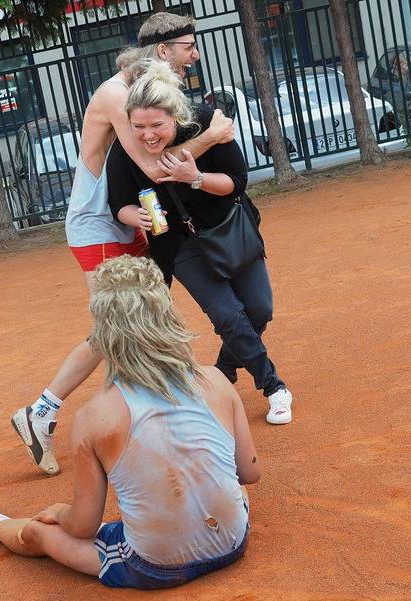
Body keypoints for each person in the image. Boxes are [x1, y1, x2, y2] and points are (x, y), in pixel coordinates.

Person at [0, 255, 261, 590]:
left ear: (102, 334)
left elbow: (83, 525)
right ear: (167, 314)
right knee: (225, 486)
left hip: (155, 567)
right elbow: (249, 473)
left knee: (40, 533)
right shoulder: (215, 379)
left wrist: (59, 512)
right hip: (232, 543)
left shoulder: (94, 416)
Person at [11, 12, 236, 475]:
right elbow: (155, 167)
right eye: (187, 48)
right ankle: (42, 411)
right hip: (97, 224)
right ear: (161, 52)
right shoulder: (117, 95)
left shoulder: (143, 94)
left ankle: (137, 415)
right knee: (113, 327)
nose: (193, 57)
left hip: (133, 219)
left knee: (144, 314)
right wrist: (212, 138)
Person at [107, 60, 294, 424]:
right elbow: (120, 203)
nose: (147, 135)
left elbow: (237, 181)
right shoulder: (126, 149)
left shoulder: (206, 121)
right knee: (227, 315)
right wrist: (136, 216)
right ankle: (273, 386)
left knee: (259, 310)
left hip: (228, 226)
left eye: (157, 125)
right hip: (178, 244)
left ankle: (224, 369)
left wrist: (195, 178)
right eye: (138, 126)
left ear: (175, 117)